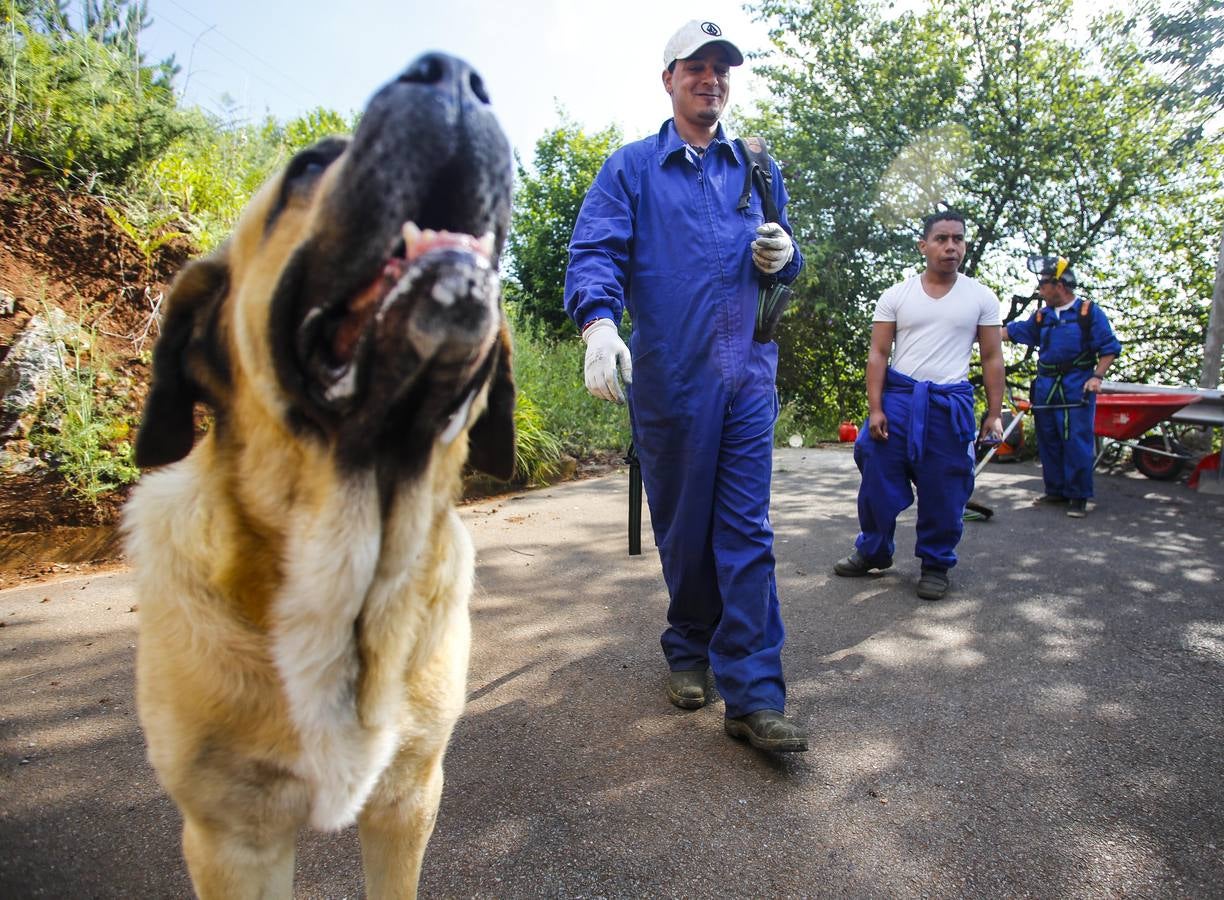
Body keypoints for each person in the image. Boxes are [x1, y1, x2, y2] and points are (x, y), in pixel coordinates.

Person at [563, 20, 807, 753]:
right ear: (668, 79)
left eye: (722, 69)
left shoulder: (757, 168)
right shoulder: (631, 169)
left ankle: (755, 696)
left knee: (746, 532)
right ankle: (688, 648)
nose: (711, 79)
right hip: (669, 382)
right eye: (695, 67)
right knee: (683, 529)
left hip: (747, 381)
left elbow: (785, 264)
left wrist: (783, 256)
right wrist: (599, 328)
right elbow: (594, 253)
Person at [833, 210, 1005, 600]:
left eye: (958, 239)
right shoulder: (897, 295)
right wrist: (875, 408)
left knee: (946, 489)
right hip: (899, 400)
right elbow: (878, 354)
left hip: (949, 405)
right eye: (942, 238)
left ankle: (935, 563)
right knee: (876, 477)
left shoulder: (980, 297)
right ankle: (873, 551)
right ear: (923, 245)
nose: (951, 246)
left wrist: (993, 414)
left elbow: (993, 358)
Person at [1003, 256, 1121, 517]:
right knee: (1049, 438)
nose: (1040, 290)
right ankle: (1055, 491)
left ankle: (1078, 496)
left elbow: (1109, 348)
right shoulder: (1042, 317)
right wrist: (979, 330)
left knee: (1076, 440)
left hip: (1076, 385)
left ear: (1060, 285)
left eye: (1044, 284)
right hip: (1047, 385)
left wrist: (1097, 377)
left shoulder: (1087, 313)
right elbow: (1011, 332)